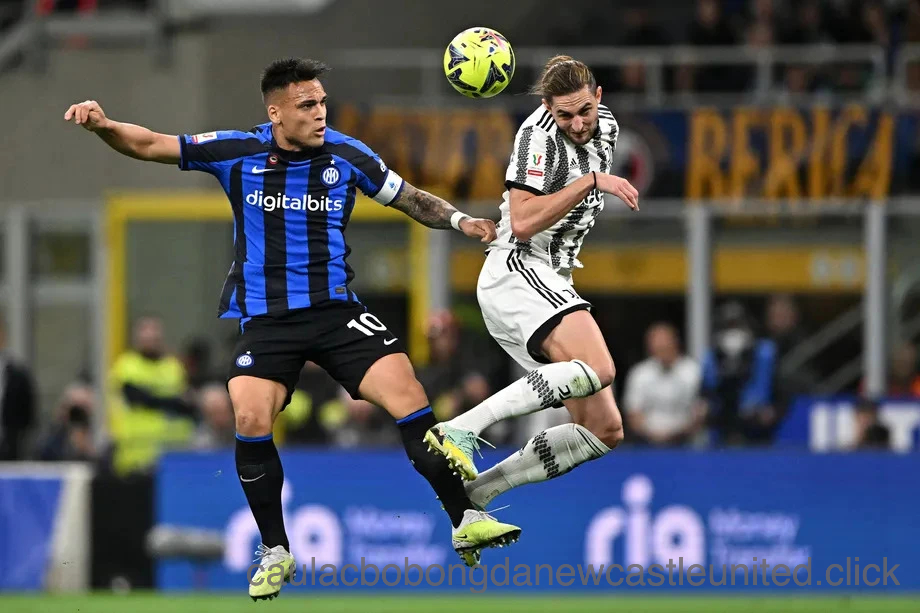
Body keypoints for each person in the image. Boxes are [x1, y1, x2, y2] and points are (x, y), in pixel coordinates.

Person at [64, 57, 519, 600]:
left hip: (336, 312)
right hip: (268, 320)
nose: (320, 113)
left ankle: (464, 516)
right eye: (307, 105)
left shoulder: (348, 155)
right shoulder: (238, 151)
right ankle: (276, 548)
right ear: (275, 112)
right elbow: (150, 144)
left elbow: (412, 198)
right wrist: (105, 126)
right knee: (250, 414)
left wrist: (460, 220)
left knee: (409, 396)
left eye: (323, 102)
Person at [423, 56, 640, 511]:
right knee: (601, 368)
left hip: (547, 279)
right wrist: (591, 181)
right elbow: (520, 224)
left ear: (598, 96)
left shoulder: (608, 126)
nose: (577, 123)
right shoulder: (536, 137)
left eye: (584, 110)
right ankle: (461, 428)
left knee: (605, 430)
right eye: (565, 114)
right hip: (518, 267)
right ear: (547, 107)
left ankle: (476, 496)